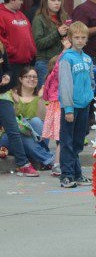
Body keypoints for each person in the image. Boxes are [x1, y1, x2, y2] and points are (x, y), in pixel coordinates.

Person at [58, 22, 94, 188]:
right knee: (67, 141)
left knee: (79, 141)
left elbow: (91, 80)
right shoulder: (67, 58)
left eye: (83, 37)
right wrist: (68, 108)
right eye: (77, 37)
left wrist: (90, 97)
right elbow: (65, 85)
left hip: (84, 105)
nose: (80, 40)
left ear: (87, 39)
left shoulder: (87, 59)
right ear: (70, 39)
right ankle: (66, 175)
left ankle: (77, 174)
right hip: (71, 106)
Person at [0, 38, 39, 176]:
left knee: (13, 130)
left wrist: (7, 76)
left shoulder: (1, 46)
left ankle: (23, 164)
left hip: (3, 95)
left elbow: (8, 69)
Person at [4, 67, 55, 170]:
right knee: (20, 136)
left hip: (33, 140)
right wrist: (15, 103)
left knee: (36, 121)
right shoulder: (10, 95)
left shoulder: (41, 97)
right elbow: (8, 120)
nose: (32, 79)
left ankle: (42, 157)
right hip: (10, 138)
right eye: (28, 76)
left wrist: (41, 99)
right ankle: (49, 159)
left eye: (35, 77)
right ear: (20, 79)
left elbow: (46, 122)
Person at [31, 0, 69, 85]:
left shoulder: (64, 17)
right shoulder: (39, 19)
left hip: (64, 60)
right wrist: (57, 33)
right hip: (45, 63)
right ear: (45, 2)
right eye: (53, 0)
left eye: (59, 0)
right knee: (45, 93)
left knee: (61, 92)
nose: (57, 3)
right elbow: (39, 44)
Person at [0, 0, 37, 85]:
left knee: (23, 90)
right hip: (11, 63)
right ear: (11, 0)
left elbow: (29, 34)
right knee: (12, 91)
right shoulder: (1, 14)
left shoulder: (21, 14)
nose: (22, 2)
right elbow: (1, 40)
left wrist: (32, 50)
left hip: (26, 61)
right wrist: (13, 52)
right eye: (20, 0)